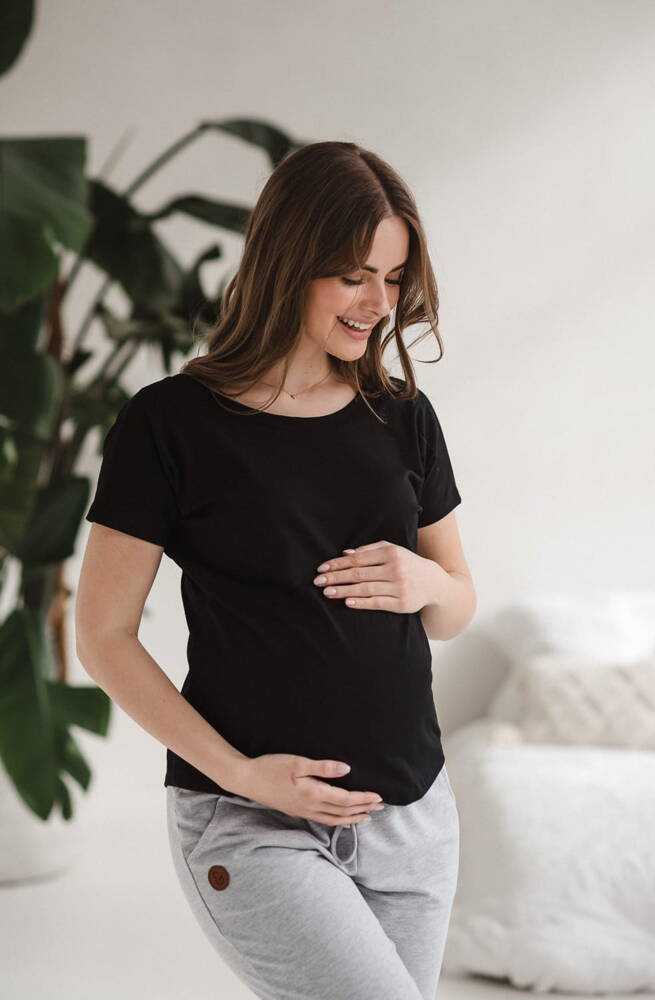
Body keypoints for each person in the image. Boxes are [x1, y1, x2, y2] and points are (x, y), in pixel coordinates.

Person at [75, 140, 476, 1000]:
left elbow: (456, 606)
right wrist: (238, 773)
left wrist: (426, 584)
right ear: (288, 262)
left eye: (392, 277)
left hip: (411, 816)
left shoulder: (401, 415)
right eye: (353, 276)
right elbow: (103, 637)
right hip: (252, 819)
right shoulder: (169, 424)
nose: (378, 303)